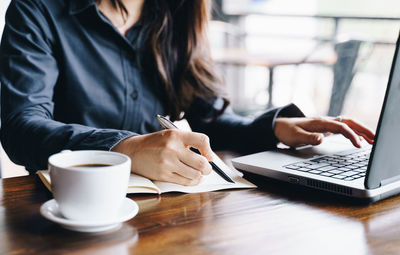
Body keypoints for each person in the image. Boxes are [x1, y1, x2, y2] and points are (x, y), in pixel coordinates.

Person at [0, 0, 374, 185]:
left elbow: (205, 116)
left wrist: (273, 127)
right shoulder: (37, 10)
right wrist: (125, 147)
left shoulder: (177, 11)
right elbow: (21, 127)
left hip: (169, 205)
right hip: (69, 203)